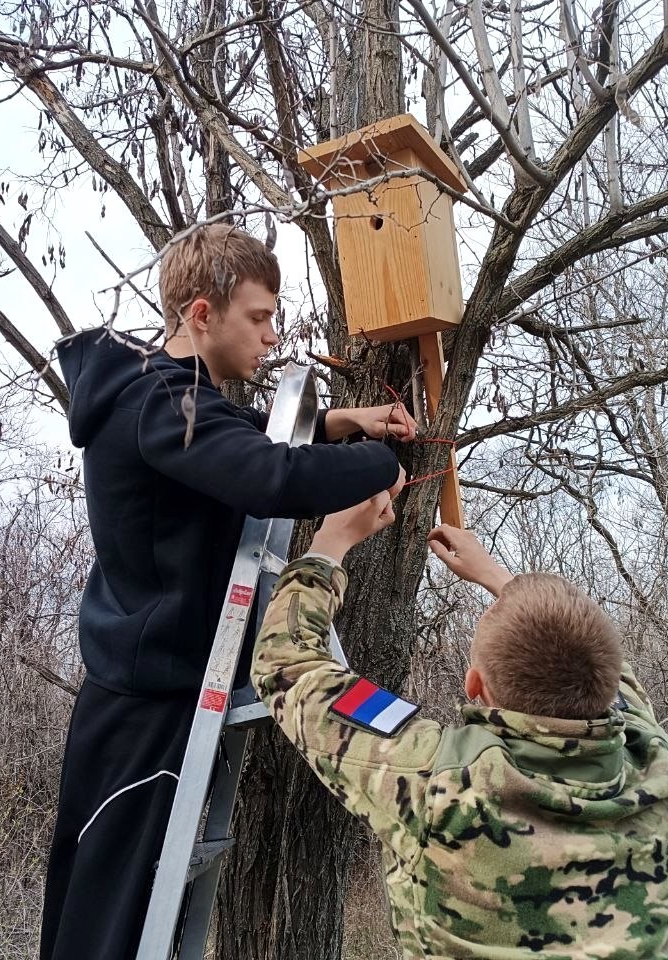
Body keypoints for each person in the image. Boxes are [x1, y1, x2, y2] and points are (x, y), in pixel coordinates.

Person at [40, 223, 417, 959]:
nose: (273, 337)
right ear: (201, 314)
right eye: (260, 317)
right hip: (144, 706)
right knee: (111, 910)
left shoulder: (171, 395)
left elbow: (239, 436)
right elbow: (267, 475)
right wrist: (376, 463)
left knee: (114, 894)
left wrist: (340, 422)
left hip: (146, 684)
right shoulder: (161, 406)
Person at [251, 492, 668, 959]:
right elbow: (608, 674)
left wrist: (330, 543)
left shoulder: (436, 783)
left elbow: (288, 664)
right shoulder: (656, 758)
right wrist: (498, 580)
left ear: (475, 685)